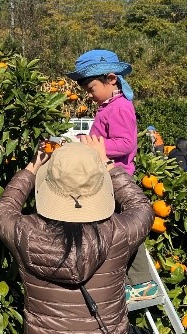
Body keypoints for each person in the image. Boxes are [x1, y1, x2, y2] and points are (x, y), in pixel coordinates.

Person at [0, 136, 154, 334]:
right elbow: (141, 206)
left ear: (49, 187)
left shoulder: (22, 234)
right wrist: (107, 164)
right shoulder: (120, 233)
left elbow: (4, 209)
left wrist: (31, 167)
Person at [67, 49, 158, 301]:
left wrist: (92, 146)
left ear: (111, 79)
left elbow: (126, 144)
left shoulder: (119, 107)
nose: (89, 94)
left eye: (91, 87)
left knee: (127, 232)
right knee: (116, 232)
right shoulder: (107, 107)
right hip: (106, 178)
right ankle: (126, 281)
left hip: (117, 179)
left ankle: (141, 283)